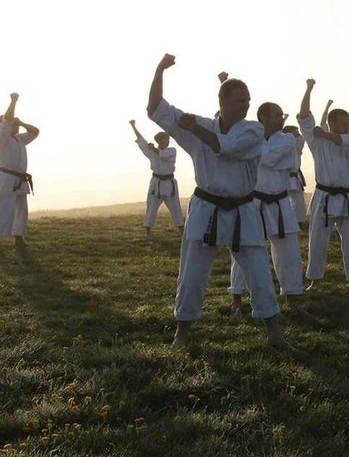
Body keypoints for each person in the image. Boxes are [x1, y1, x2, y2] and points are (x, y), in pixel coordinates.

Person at [145, 54, 289, 348]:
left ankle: (274, 333)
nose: (247, 105)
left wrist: (193, 127)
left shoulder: (252, 130)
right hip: (206, 207)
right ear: (222, 102)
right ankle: (182, 332)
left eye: (248, 100)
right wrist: (160, 70)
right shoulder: (202, 125)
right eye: (240, 101)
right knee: (192, 273)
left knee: (259, 272)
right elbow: (155, 109)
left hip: (243, 208)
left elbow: (227, 149)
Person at [228, 102, 305, 309]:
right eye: (277, 115)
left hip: (280, 202)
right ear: (263, 117)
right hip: (253, 202)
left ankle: (292, 295)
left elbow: (272, 159)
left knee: (289, 251)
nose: (282, 119)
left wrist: (251, 152)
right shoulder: (251, 137)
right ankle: (237, 297)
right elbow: (266, 157)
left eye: (282, 114)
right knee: (246, 249)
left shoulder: (287, 139)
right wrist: (251, 151)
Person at [297, 79, 349, 289]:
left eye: (348, 123)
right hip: (324, 197)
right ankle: (315, 279)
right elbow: (304, 116)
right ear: (332, 122)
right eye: (344, 123)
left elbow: (339, 140)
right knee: (317, 241)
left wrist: (325, 133)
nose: (348, 126)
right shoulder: (317, 143)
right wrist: (308, 90)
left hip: (347, 197)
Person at [0, 93, 39, 253]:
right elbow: (7, 121)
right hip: (5, 178)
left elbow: (36, 132)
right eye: (13, 123)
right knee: (3, 208)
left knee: (21, 209)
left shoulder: (20, 139)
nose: (15, 125)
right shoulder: (0, 139)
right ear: (3, 126)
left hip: (20, 179)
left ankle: (19, 239)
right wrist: (13, 101)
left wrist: (23, 123)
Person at [129, 119, 183, 237]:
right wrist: (133, 126)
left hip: (169, 184)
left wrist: (152, 148)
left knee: (176, 208)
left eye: (168, 140)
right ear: (159, 141)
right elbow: (141, 141)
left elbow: (161, 155)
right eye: (165, 140)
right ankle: (147, 232)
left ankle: (182, 231)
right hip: (156, 183)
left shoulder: (172, 151)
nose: (167, 142)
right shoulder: (152, 151)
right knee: (151, 207)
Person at [283, 124, 308, 227]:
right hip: (283, 176)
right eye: (295, 132)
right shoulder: (282, 145)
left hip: (295, 175)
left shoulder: (297, 146)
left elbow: (302, 139)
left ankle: (298, 221)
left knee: (298, 200)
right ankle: (284, 220)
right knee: (283, 200)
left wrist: (298, 134)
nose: (297, 134)